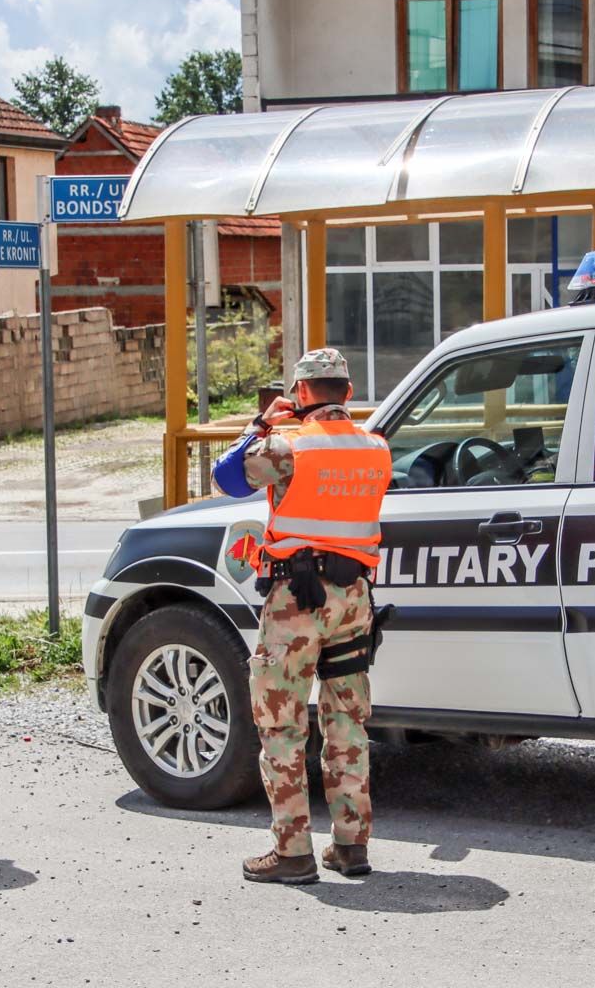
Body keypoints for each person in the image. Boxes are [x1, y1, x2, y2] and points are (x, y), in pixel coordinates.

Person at [212, 348, 392, 884]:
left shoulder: (288, 446)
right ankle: (350, 846)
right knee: (347, 723)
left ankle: (292, 854)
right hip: (354, 597)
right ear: (349, 393)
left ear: (302, 393)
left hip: (298, 601)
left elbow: (227, 479)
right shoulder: (377, 448)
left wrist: (259, 424)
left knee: (283, 724)